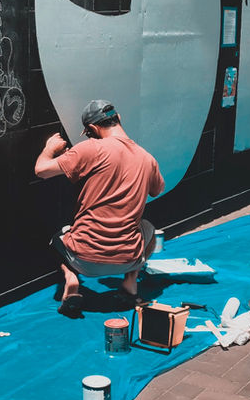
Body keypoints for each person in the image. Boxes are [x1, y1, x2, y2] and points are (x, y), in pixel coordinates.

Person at [34, 100, 165, 316]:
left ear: (93, 129)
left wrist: (50, 148)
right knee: (148, 228)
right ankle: (130, 284)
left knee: (57, 237)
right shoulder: (147, 158)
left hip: (84, 259)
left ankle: (71, 280)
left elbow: (41, 170)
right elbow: (157, 190)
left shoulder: (90, 148)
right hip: (128, 259)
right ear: (119, 118)